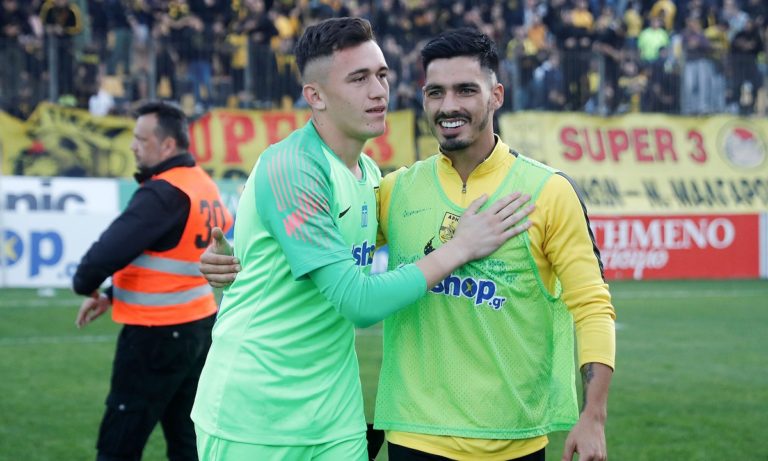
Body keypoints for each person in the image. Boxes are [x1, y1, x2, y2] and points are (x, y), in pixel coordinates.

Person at [201, 27, 616, 461]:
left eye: (465, 90)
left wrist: (594, 415)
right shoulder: (390, 189)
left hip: (492, 435)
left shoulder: (541, 191)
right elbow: (346, 288)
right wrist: (460, 246)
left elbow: (592, 305)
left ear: (496, 95)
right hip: (364, 430)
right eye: (435, 92)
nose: (448, 105)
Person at [72, 100, 232, 461]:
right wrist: (112, 293)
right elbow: (174, 257)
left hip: (155, 335)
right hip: (198, 327)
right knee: (187, 442)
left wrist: (85, 284)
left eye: (141, 139)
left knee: (118, 445)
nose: (133, 146)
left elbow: (100, 258)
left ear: (167, 145)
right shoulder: (202, 183)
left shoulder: (163, 192)